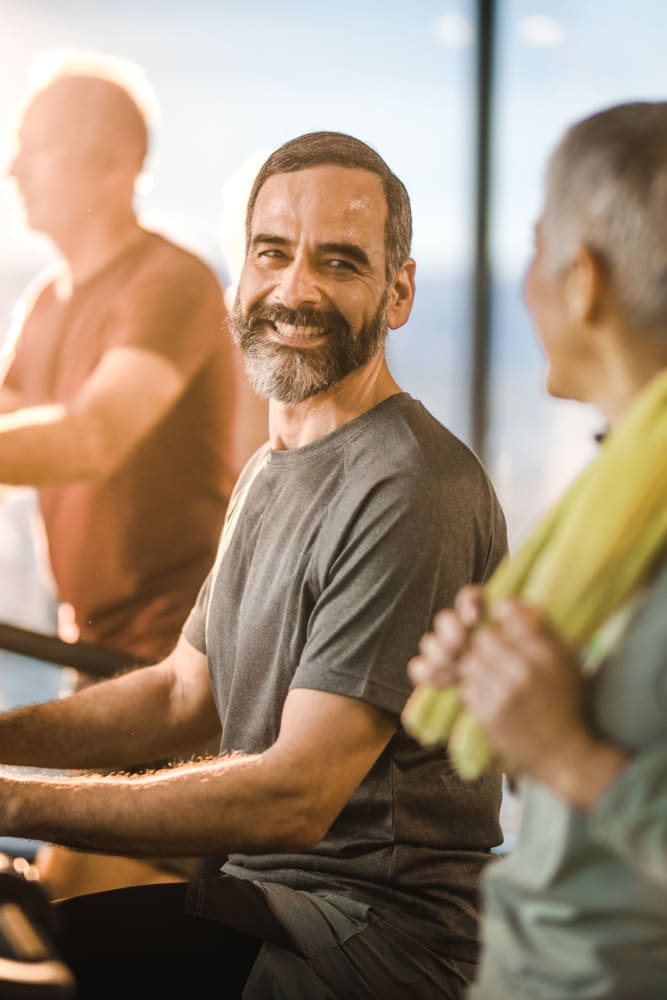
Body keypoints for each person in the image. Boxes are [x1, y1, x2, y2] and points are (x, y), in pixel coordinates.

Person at [0, 130, 507, 999]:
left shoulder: (410, 489)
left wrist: (11, 801)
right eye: (273, 254)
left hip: (363, 939)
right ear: (241, 274)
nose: (294, 290)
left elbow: (295, 798)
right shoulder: (275, 466)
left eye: (339, 264)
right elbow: (182, 697)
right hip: (264, 898)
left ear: (399, 292)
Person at [409, 101, 667, 999]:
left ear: (582, 281)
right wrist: (510, 702)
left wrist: (563, 751)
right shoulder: (624, 493)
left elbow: (595, 773)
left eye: (532, 248)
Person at [1, 52, 239, 897]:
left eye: (38, 147)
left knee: (67, 917)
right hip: (94, 664)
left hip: (170, 672)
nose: (13, 166)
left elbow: (94, 436)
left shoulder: (167, 283)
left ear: (113, 165)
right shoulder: (48, 303)